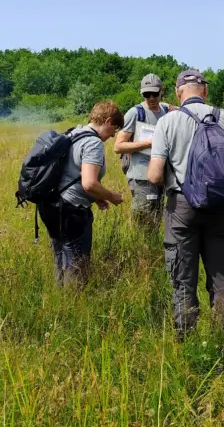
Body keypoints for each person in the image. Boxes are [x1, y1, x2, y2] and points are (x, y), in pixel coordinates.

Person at [147, 69, 224, 339]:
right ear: (205, 92)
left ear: (179, 94)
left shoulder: (167, 123)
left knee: (183, 280)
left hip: (181, 209)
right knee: (222, 279)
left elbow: (154, 175)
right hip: (218, 209)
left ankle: (188, 343)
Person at [38, 101, 125, 287]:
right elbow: (89, 183)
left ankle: (59, 302)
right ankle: (72, 306)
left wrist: (97, 196)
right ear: (108, 121)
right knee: (77, 264)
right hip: (72, 210)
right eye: (114, 129)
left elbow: (71, 174)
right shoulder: (93, 143)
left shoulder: (73, 132)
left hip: (51, 205)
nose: (113, 136)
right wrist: (111, 196)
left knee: (60, 258)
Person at [114, 74, 169, 230]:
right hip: (142, 176)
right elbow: (118, 146)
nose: (151, 98)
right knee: (144, 221)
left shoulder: (165, 110)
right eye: (146, 94)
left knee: (156, 219)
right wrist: (148, 143)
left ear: (161, 91)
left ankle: (151, 249)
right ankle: (142, 250)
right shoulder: (135, 112)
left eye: (154, 93)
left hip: (161, 175)